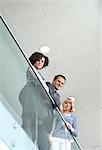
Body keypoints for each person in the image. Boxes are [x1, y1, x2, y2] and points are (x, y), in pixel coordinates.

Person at [19, 52, 53, 150]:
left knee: (37, 125)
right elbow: (43, 86)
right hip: (31, 97)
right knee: (29, 122)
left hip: (36, 101)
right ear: (34, 59)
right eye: (38, 60)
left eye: (42, 61)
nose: (40, 62)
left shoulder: (38, 73)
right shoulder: (31, 69)